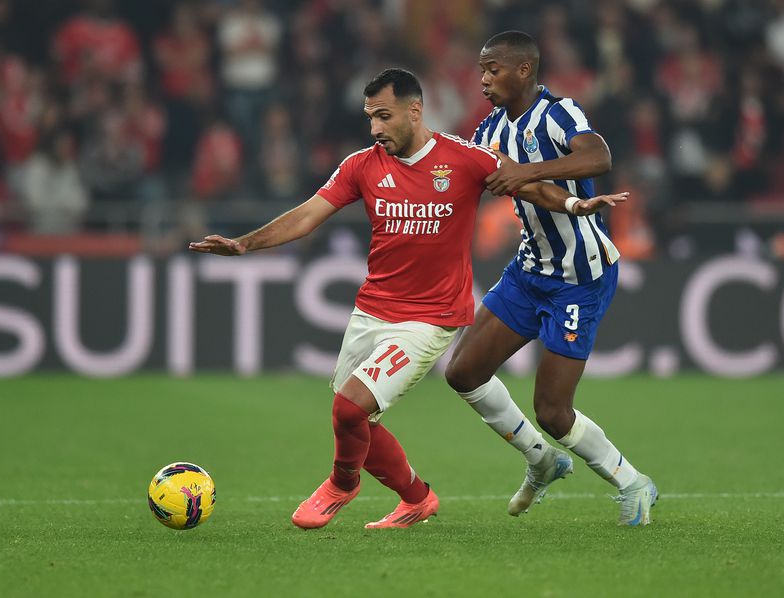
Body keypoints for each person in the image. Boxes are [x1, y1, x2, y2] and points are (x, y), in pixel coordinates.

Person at [189, 68, 627, 530]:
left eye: (384, 116)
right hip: (373, 308)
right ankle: (416, 498)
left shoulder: (465, 159)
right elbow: (308, 215)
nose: (375, 128)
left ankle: (341, 484)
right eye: (369, 118)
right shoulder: (361, 165)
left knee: (350, 407)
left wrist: (577, 206)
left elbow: (529, 186)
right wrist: (244, 244)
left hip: (431, 318)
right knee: (355, 420)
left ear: (414, 111)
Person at [445, 31, 658, 526]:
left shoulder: (560, 112)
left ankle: (632, 481)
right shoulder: (490, 130)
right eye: (480, 70)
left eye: (492, 69)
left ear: (523, 70)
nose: (483, 80)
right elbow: (527, 188)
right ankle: (542, 460)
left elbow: (598, 157)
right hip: (529, 270)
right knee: (463, 373)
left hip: (580, 278)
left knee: (553, 412)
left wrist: (526, 173)